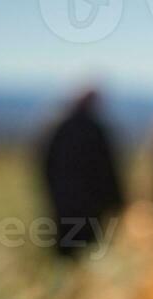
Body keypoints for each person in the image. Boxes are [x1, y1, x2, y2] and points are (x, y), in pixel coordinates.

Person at [38, 88, 125, 258]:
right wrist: (116, 200)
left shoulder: (59, 127)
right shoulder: (93, 129)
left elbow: (44, 164)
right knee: (87, 252)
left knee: (71, 252)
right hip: (86, 206)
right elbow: (109, 169)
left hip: (67, 203)